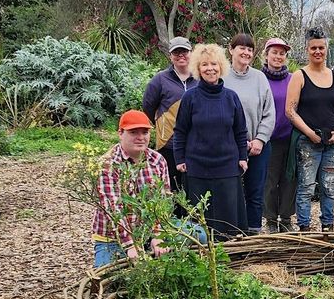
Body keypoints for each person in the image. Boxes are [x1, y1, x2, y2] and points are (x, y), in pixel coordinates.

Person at [170, 43, 249, 240]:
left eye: (214, 64)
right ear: (198, 68)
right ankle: (200, 253)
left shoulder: (231, 97)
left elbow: (240, 131)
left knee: (228, 217)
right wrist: (179, 158)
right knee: (199, 217)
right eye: (204, 65)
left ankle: (230, 253)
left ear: (221, 67)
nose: (210, 68)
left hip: (227, 166)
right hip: (197, 167)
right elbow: (180, 131)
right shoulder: (190, 97)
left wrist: (243, 157)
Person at [286, 27, 334, 232]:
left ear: (327, 49)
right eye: (313, 48)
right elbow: (290, 111)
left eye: (321, 47)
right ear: (307, 49)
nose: (317, 52)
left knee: (329, 187)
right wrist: (309, 133)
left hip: (332, 142)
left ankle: (327, 227)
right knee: (306, 187)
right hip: (308, 142)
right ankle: (304, 228)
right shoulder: (299, 76)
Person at [91, 110, 170, 268]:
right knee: (109, 276)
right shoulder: (107, 164)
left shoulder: (157, 160)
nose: (141, 137)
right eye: (134, 132)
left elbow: (163, 202)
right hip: (114, 238)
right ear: (121, 133)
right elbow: (114, 210)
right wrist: (130, 246)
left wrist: (158, 236)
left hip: (146, 233)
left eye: (145, 132)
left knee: (199, 236)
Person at [224, 33, 276, 235]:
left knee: (255, 191)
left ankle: (253, 232)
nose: (246, 52)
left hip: (258, 146)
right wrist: (237, 143)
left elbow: (269, 112)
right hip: (229, 147)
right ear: (231, 50)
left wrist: (260, 140)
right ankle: (232, 232)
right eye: (241, 48)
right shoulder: (221, 77)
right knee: (231, 191)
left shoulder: (259, 78)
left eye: (250, 49)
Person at [142, 37, 197, 210]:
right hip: (169, 144)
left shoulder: (199, 78)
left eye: (185, 52)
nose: (181, 55)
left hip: (195, 143)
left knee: (191, 188)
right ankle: (170, 227)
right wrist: (163, 126)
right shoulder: (160, 80)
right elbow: (148, 107)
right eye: (176, 52)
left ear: (191, 53)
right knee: (170, 187)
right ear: (170, 55)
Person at [261, 38, 296, 232]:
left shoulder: (292, 78)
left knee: (289, 179)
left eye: (282, 53)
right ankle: (271, 219)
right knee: (269, 180)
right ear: (266, 55)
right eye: (274, 52)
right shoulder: (259, 78)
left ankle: (286, 218)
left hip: (289, 137)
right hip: (268, 138)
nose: (278, 56)